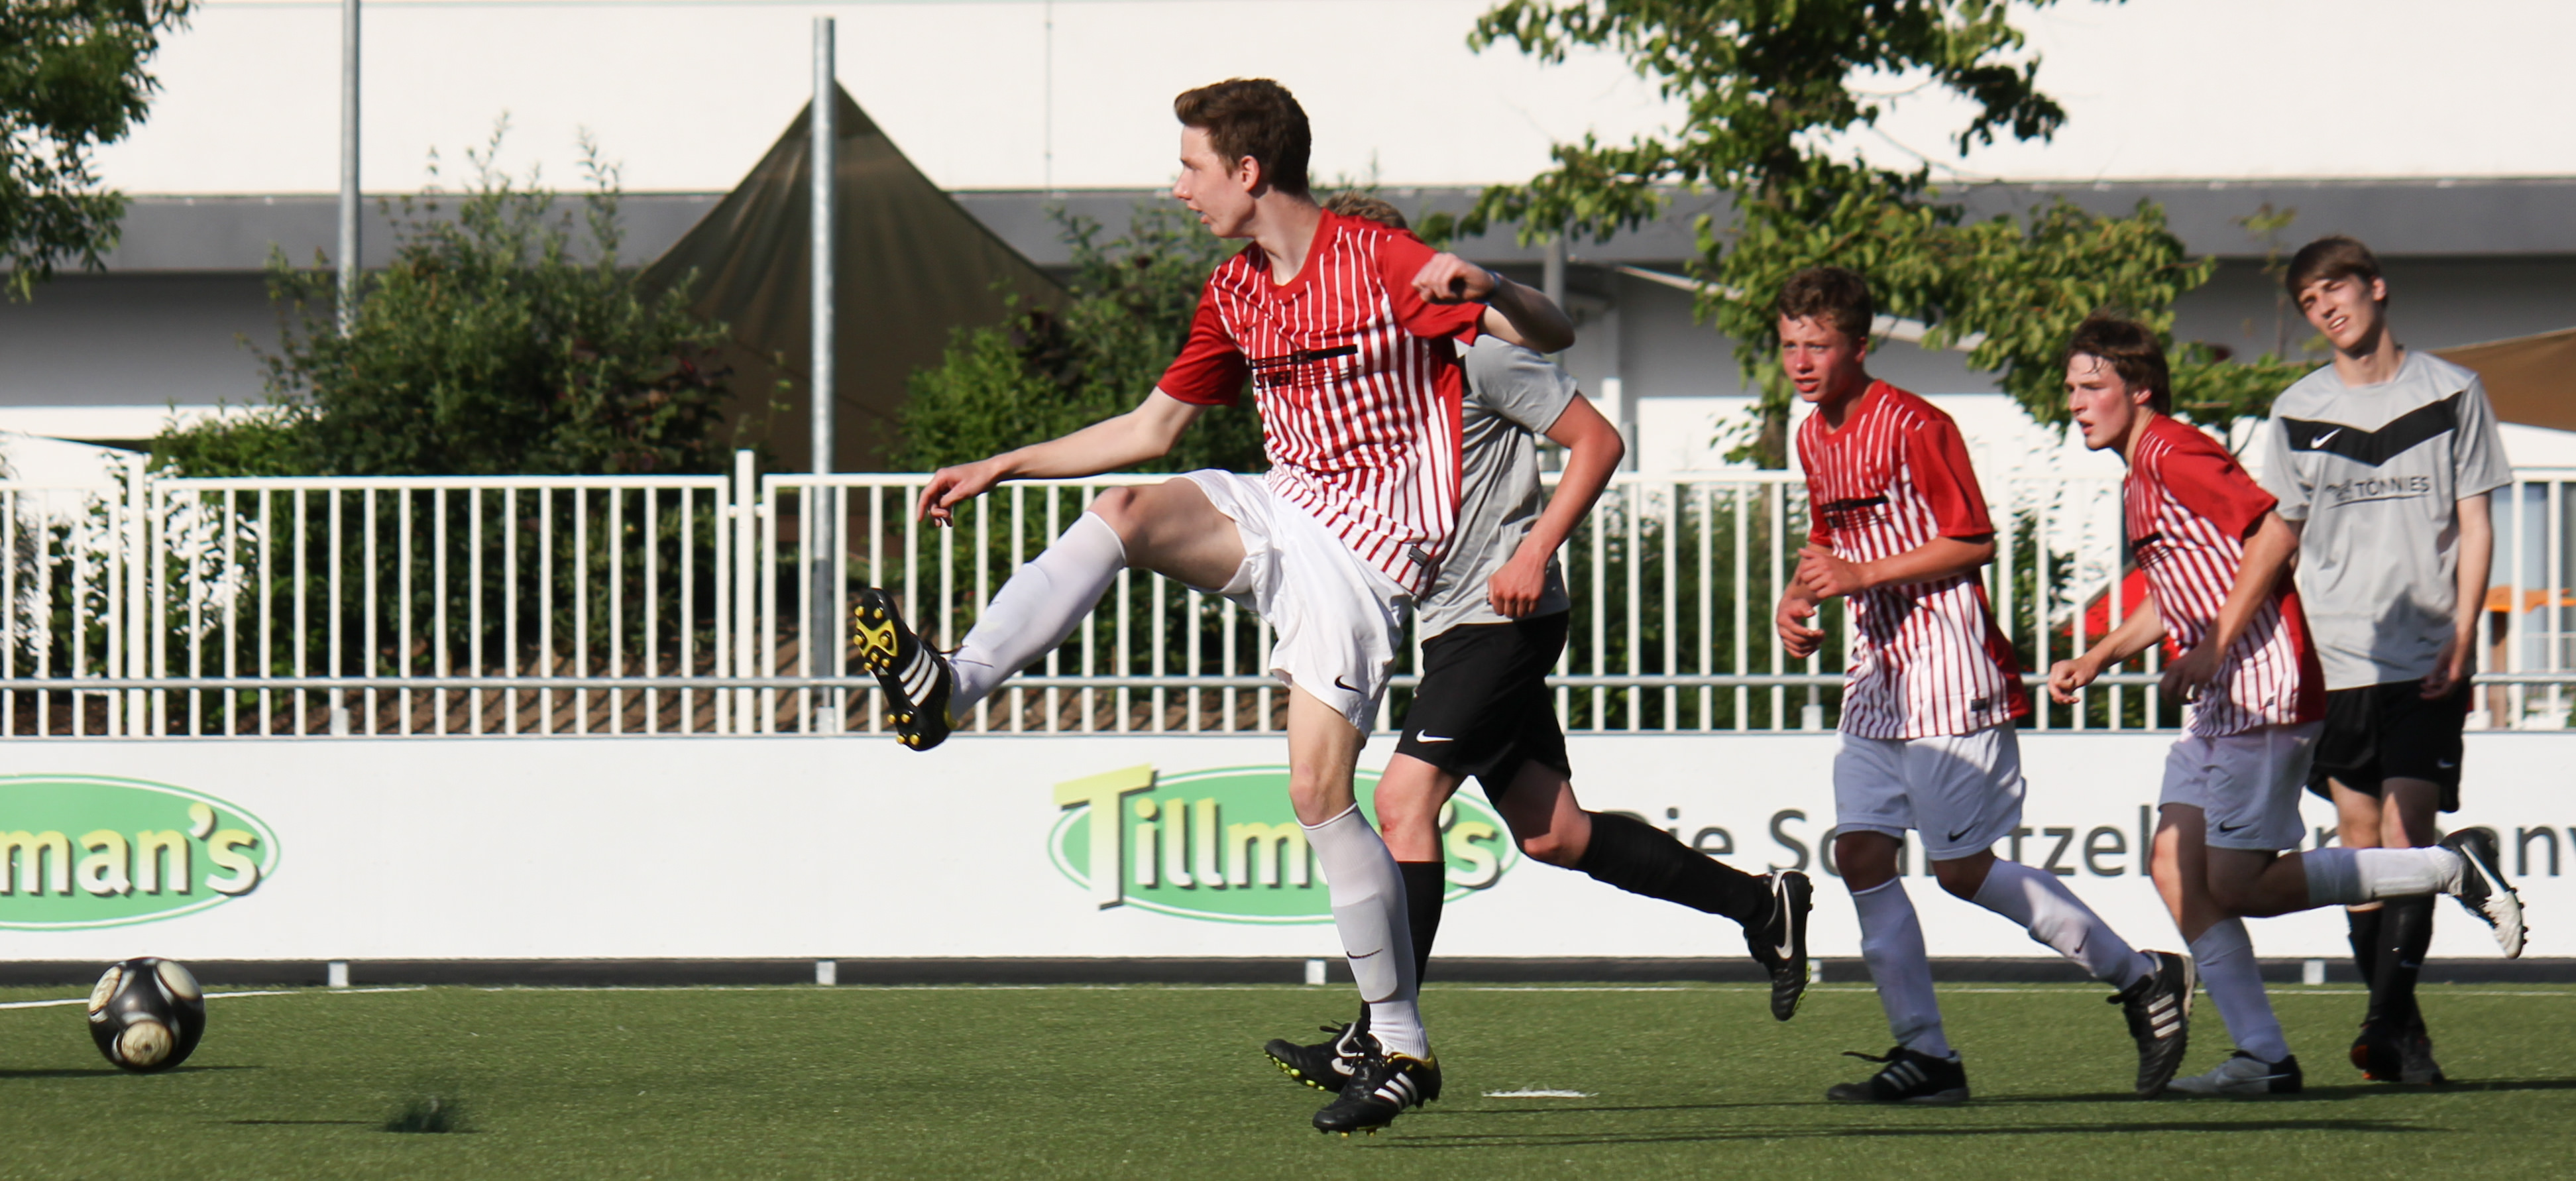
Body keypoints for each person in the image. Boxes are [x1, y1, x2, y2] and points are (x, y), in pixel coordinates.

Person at [848, 79, 1573, 1137]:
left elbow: (1548, 331)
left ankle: (1399, 1042)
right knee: (1125, 509)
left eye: (1191, 166)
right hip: (1286, 505)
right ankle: (950, 683)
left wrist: (1492, 283)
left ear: (1247, 169)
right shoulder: (1235, 290)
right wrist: (1003, 461)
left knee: (1317, 793)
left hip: (1365, 554)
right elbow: (1150, 431)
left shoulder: (1378, 259)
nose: (1178, 186)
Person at [1261, 195, 1814, 1100]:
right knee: (1555, 833)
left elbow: (1597, 439)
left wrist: (1532, 548)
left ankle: (1379, 1039)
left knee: (1401, 804)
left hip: (1501, 618)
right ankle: (1760, 903)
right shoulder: (1362, 376)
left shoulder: (1471, 350)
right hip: (1450, 627)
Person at [2049, 313, 2524, 1097]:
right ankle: (2261, 1056)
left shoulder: (2172, 450)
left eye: (2090, 386)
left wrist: (2212, 645)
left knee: (2238, 886)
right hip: (2223, 700)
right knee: (2172, 866)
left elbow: (2273, 533)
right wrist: (2100, 654)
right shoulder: (2140, 471)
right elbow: (2181, 590)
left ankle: (2447, 866)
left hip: (2263, 687)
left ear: (2139, 391)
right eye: (2070, 387)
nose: (2075, 401)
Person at [1769, 268, 2195, 1104]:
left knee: (1961, 870)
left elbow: (1972, 541)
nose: (1801, 362)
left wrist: (1860, 575)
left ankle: (2141, 976)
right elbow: (1826, 541)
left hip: (1947, 668)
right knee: (1858, 854)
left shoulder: (1915, 423)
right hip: (1876, 673)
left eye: (1817, 345)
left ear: (1859, 345)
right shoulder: (1812, 435)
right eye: (1788, 345)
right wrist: (1797, 595)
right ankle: (1926, 1055)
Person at [2257, 236, 2514, 1085]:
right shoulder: (2296, 408)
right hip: (2333, 660)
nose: (2324, 308)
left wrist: (2463, 631)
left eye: (2334, 289)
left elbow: (2474, 520)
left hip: (2423, 654)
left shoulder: (2450, 391)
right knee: (2361, 850)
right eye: (2308, 301)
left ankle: (2376, 1024)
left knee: (2406, 835)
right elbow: (2281, 535)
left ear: (2375, 287)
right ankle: (2403, 1040)